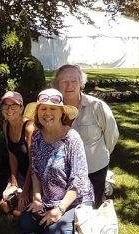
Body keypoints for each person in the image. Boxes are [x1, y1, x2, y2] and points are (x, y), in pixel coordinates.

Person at [20, 88, 94, 234]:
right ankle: (48, 219)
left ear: (62, 112)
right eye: (43, 108)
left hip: (74, 200)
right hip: (48, 198)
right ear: (38, 113)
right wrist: (37, 200)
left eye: (53, 108)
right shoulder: (37, 137)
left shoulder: (72, 139)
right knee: (25, 221)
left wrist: (59, 210)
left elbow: (79, 181)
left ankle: (70, 222)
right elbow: (35, 172)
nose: (47, 113)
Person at [52, 64, 119, 207]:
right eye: (64, 81)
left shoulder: (96, 106)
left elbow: (111, 135)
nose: (69, 85)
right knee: (71, 206)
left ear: (81, 83)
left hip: (94, 168)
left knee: (94, 206)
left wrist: (101, 154)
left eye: (74, 81)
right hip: (65, 172)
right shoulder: (53, 109)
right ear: (57, 85)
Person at [0, 91, 34, 216]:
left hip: (34, 176)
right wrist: (14, 182)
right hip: (20, 175)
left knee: (18, 212)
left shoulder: (29, 127)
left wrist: (25, 191)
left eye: (14, 106)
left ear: (21, 108)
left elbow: (33, 163)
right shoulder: (6, 125)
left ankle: (26, 199)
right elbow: (12, 155)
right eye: (5, 106)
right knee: (4, 207)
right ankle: (18, 199)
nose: (9, 110)